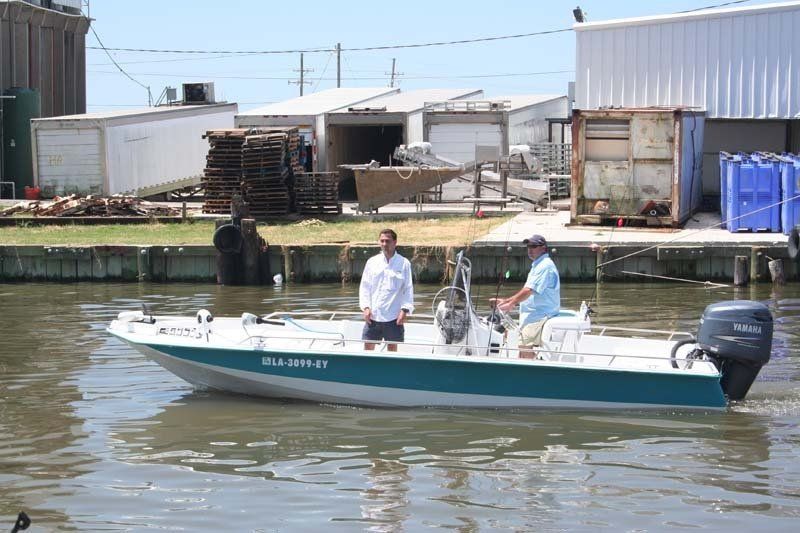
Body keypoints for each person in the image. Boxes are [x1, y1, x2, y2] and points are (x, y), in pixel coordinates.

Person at [492, 234, 560, 358]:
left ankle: (531, 374)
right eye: (528, 246)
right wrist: (507, 301)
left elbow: (529, 290)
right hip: (532, 315)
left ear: (543, 248)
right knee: (517, 341)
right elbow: (527, 292)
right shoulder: (538, 265)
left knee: (524, 345)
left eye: (533, 246)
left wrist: (511, 303)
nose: (530, 249)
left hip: (540, 315)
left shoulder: (544, 266)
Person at [359, 229, 415, 352]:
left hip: (394, 316)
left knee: (392, 348)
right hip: (373, 315)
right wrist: (366, 307)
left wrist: (404, 310)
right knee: (368, 347)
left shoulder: (404, 263)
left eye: (387, 241)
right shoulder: (372, 262)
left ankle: (392, 369)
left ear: (395, 242)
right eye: (382, 241)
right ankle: (367, 369)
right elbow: (365, 286)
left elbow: (408, 288)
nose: (384, 244)